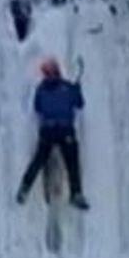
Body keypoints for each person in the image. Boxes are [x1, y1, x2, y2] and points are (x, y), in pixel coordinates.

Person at [16, 57, 90, 210]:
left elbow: (38, 108)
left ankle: (25, 187)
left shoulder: (42, 89)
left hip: (49, 130)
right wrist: (77, 90)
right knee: (71, 161)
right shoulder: (67, 88)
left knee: (39, 159)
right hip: (63, 130)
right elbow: (79, 104)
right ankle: (75, 193)